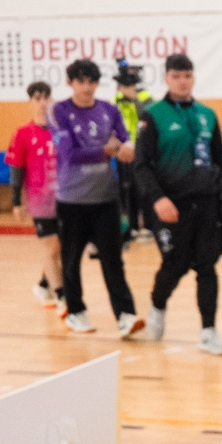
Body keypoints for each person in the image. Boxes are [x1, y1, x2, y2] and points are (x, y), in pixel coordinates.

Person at [135, 52, 222, 355]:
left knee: (207, 266)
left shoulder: (207, 114)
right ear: (166, 78)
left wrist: (219, 191)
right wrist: (158, 198)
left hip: (206, 205)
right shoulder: (153, 115)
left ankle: (208, 331)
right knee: (174, 266)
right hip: (171, 206)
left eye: (187, 75)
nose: (182, 81)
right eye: (176, 76)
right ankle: (157, 306)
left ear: (193, 78)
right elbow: (141, 165)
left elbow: (219, 158)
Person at [52, 58, 144, 337]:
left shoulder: (109, 109)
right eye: (80, 82)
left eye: (92, 82)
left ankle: (125, 315)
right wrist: (108, 150)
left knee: (113, 260)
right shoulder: (59, 111)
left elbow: (125, 138)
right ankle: (76, 311)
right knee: (71, 260)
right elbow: (70, 154)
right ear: (70, 83)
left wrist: (127, 147)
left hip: (105, 199)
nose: (87, 88)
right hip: (72, 200)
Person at [6, 81, 65, 313]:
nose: (42, 103)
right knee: (50, 246)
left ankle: (43, 285)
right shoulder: (22, 133)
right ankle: (62, 296)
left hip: (64, 197)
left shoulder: (61, 130)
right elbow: (16, 168)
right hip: (39, 200)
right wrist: (16, 202)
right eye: (37, 98)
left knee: (60, 247)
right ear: (30, 101)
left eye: (46, 97)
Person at [112, 59, 154, 241]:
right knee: (126, 189)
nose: (127, 87)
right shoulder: (116, 101)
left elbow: (148, 116)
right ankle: (132, 226)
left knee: (143, 188)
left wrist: (134, 99)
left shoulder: (144, 97)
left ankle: (148, 226)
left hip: (142, 151)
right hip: (123, 152)